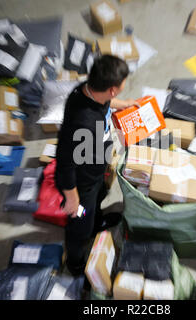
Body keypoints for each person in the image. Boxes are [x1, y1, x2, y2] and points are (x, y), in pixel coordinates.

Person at [55, 55, 138, 277]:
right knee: (79, 223)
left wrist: (126, 104)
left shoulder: (90, 89)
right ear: (112, 89)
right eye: (121, 87)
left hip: (95, 168)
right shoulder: (83, 124)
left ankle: (95, 222)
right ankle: (75, 262)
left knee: (100, 194)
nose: (122, 89)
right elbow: (64, 165)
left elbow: (107, 103)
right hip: (81, 186)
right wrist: (72, 198)